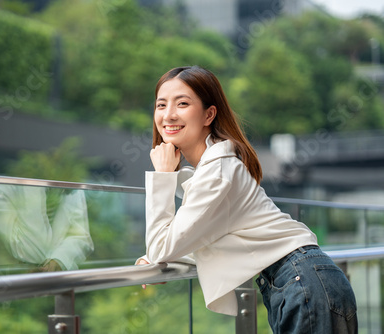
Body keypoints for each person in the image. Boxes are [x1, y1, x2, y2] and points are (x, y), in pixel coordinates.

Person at [136, 65, 357, 333]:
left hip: (304, 284)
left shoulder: (217, 170)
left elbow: (164, 247)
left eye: (182, 103)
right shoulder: (213, 168)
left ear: (209, 114)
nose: (168, 115)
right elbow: (204, 240)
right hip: (303, 282)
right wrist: (161, 259)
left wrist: (162, 176)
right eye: (161, 105)